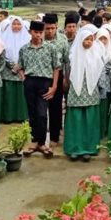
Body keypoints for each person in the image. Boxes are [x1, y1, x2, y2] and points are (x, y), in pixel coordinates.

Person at [17, 20, 61, 156]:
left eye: (40, 33)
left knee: (42, 114)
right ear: (30, 32)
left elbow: (56, 68)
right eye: (35, 32)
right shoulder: (24, 49)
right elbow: (20, 66)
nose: (38, 35)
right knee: (32, 113)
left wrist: (54, 87)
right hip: (30, 82)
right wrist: (24, 78)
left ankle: (42, 143)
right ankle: (34, 141)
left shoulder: (50, 48)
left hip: (44, 83)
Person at [64, 28, 106, 161]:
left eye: (90, 39)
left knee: (90, 119)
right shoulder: (72, 55)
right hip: (76, 91)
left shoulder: (97, 56)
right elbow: (67, 73)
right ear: (80, 40)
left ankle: (89, 148)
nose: (88, 42)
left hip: (91, 91)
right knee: (76, 120)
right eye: (85, 39)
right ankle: (74, 148)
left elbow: (101, 75)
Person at [43, 14, 68, 147]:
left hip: (58, 77)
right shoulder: (38, 38)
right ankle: (39, 137)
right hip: (41, 78)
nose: (50, 31)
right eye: (47, 28)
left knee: (56, 107)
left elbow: (66, 61)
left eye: (52, 28)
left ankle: (54, 135)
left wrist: (66, 79)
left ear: (57, 26)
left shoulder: (62, 40)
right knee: (40, 108)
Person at [0, 17, 30, 123]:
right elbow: (2, 53)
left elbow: (29, 54)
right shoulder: (4, 38)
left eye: (18, 24)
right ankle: (8, 117)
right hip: (8, 70)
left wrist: (19, 66)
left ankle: (21, 116)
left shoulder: (28, 38)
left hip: (22, 70)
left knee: (21, 94)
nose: (16, 26)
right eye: (14, 24)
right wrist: (11, 64)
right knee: (8, 94)